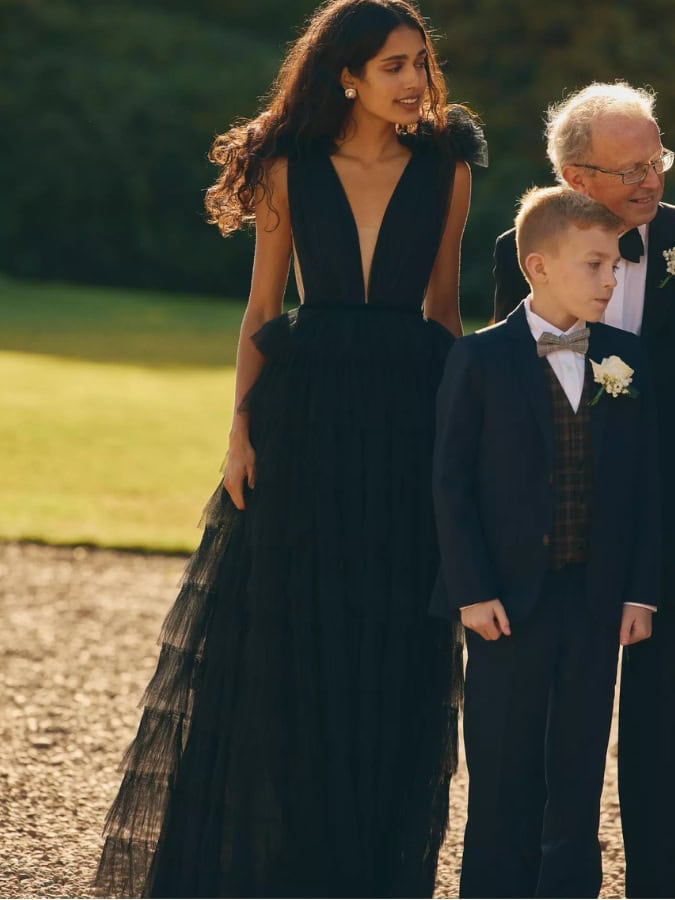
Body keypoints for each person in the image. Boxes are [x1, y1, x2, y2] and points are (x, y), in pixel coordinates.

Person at [94, 1, 487, 897]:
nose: (415, 82)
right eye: (393, 65)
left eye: (420, 64)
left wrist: (458, 440)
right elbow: (262, 310)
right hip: (301, 416)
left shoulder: (448, 167)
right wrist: (238, 428)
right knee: (287, 630)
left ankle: (366, 869)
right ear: (345, 74)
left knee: (392, 640)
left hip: (407, 416)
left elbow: (444, 313)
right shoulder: (286, 166)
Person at [432, 186, 660, 898]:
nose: (609, 281)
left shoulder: (626, 358)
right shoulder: (480, 358)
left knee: (577, 769)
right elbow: (450, 486)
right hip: (505, 604)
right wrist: (470, 591)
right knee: (501, 768)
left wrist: (638, 592)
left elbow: (648, 484)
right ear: (536, 266)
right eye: (593, 265)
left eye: (615, 268)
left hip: (595, 603)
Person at [491, 82, 675, 898]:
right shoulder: (518, 250)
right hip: (569, 522)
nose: (651, 180)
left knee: (663, 719)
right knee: (550, 724)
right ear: (574, 176)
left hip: (666, 509)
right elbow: (519, 396)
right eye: (629, 167)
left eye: (657, 159)